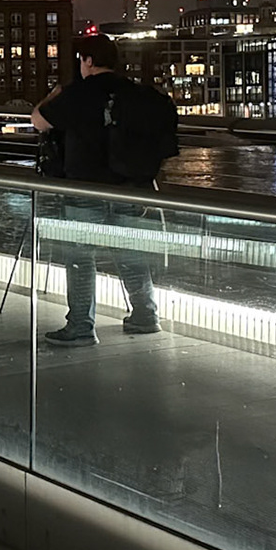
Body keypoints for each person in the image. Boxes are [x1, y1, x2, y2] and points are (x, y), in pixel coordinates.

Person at [32, 33, 168, 347]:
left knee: (80, 257)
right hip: (129, 188)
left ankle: (81, 326)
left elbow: (38, 121)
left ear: (88, 61)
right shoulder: (132, 92)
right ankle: (146, 316)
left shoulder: (78, 93)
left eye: (81, 60)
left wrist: (52, 96)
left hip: (85, 187)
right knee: (131, 254)